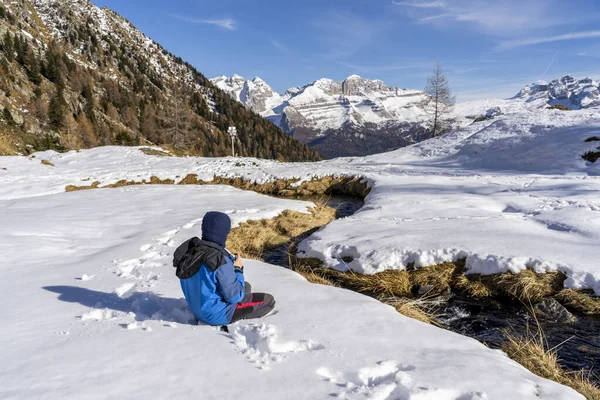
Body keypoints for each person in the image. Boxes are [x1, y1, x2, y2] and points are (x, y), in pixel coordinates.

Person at [173, 211, 275, 326]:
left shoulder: (190, 251)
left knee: (246, 286)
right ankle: (238, 319)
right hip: (216, 315)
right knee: (268, 301)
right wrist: (237, 269)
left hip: (197, 308)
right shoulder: (219, 259)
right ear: (223, 232)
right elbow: (235, 297)